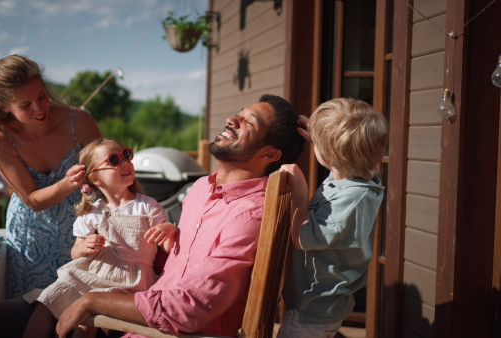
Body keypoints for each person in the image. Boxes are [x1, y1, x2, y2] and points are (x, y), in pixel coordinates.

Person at [49, 94, 305, 338]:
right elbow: (174, 268)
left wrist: (93, 300)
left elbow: (188, 307)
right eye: (239, 114)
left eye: (249, 122)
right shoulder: (202, 187)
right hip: (140, 323)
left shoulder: (251, 215)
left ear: (269, 155)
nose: (232, 121)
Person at [0, 54, 102, 298]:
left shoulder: (80, 121)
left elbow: (107, 174)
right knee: (33, 310)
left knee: (83, 313)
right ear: (3, 106)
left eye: (41, 96)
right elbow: (32, 200)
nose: (40, 108)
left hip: (82, 234)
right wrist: (68, 182)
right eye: (25, 105)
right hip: (31, 240)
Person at [22, 138, 175, 338]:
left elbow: (168, 248)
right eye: (114, 160)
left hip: (129, 278)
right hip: (93, 271)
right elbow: (75, 253)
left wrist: (169, 229)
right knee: (47, 300)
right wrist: (85, 246)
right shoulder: (93, 212)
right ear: (96, 179)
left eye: (126, 155)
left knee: (87, 314)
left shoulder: (147, 206)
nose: (124, 163)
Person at [277, 98, 389, 338]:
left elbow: (301, 237)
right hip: (322, 303)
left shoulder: (351, 200)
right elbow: (342, 163)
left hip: (314, 308)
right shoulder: (353, 177)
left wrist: (299, 186)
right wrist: (320, 137)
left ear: (330, 157)